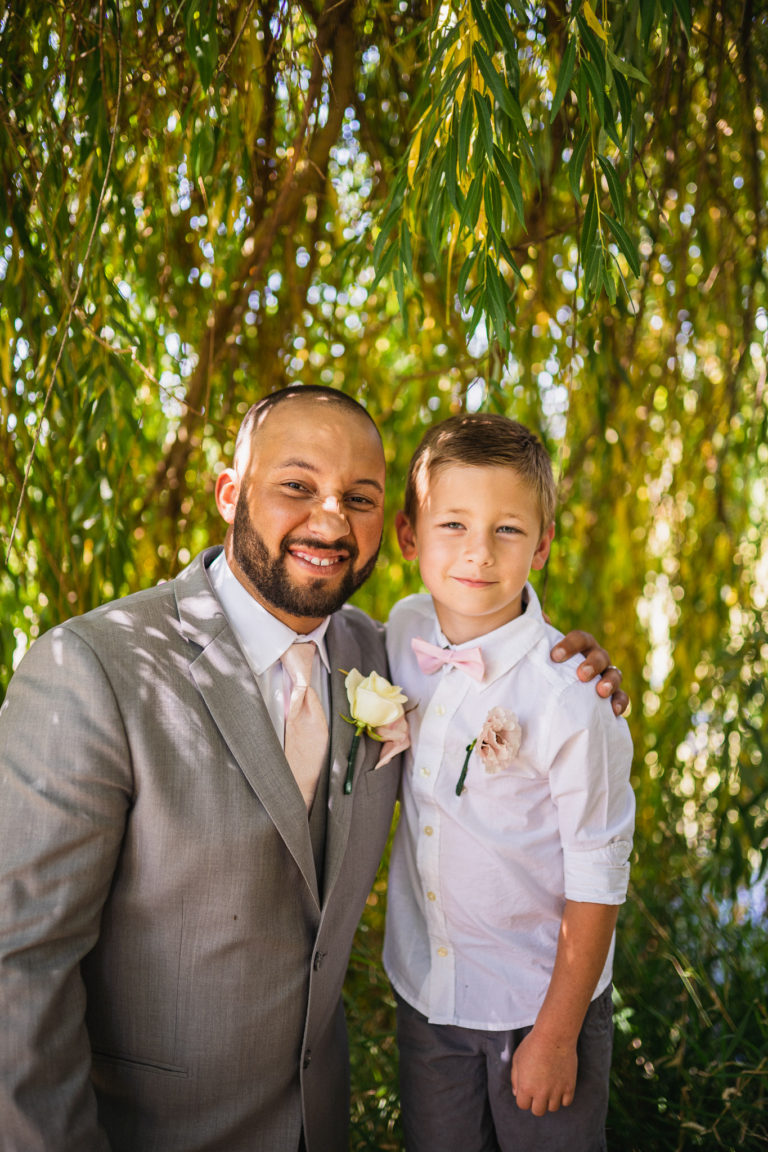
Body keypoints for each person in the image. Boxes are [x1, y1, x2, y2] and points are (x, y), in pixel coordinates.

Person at [0, 386, 626, 1152]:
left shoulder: (378, 650)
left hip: (319, 1120)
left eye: (358, 498)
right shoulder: (94, 669)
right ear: (230, 494)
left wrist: (571, 665)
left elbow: (496, 656)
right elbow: (19, 968)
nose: (330, 521)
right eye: (296, 486)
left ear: (387, 525)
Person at [382, 413, 635, 1152]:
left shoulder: (571, 700)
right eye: (453, 524)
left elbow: (597, 872)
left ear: (542, 545)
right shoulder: (399, 633)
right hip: (429, 993)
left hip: (540, 1003)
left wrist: (556, 1035)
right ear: (409, 536)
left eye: (508, 530)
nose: (478, 552)